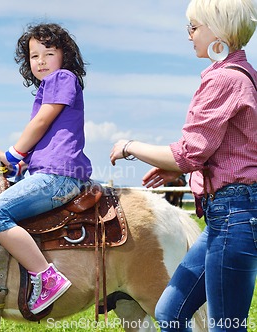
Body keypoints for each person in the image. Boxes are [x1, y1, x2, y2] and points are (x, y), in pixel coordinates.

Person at [110, 0, 257, 330]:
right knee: (169, 312)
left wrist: (129, 147)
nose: (188, 36)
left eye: (193, 27)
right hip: (229, 215)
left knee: (226, 326)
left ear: (217, 30)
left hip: (235, 214)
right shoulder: (244, 75)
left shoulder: (224, 81)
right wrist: (179, 169)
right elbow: (229, 150)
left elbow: (189, 152)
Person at [0, 23, 92, 314]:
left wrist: (13, 152)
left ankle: (46, 276)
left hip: (58, 176)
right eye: (34, 56)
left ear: (64, 56)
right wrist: (17, 163)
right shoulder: (49, 87)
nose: (41, 61)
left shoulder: (62, 78)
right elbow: (45, 140)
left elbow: (40, 123)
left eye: (48, 53)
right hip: (51, 171)